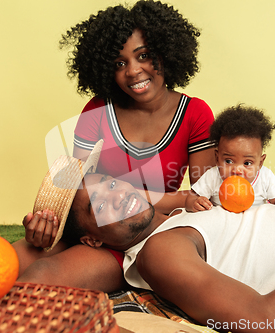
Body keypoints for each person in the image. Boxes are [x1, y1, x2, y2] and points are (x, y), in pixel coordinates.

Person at [23, 132, 275, 332]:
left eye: (110, 183)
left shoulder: (188, 207)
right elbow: (268, 321)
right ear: (92, 239)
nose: (118, 194)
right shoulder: (160, 253)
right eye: (99, 204)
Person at [14, 0, 215, 289]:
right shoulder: (97, 110)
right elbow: (76, 185)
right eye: (120, 63)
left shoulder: (195, 114)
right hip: (96, 225)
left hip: (145, 235)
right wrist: (48, 224)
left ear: (167, 52)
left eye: (143, 55)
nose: (133, 71)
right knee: (4, 259)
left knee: (45, 277)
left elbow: (201, 199)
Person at [186, 104, 275, 212]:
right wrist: (195, 202)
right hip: (223, 223)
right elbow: (193, 197)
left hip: (255, 224)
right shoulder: (213, 176)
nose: (237, 170)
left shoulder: (264, 176)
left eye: (247, 163)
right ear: (217, 158)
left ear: (260, 163)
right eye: (228, 161)